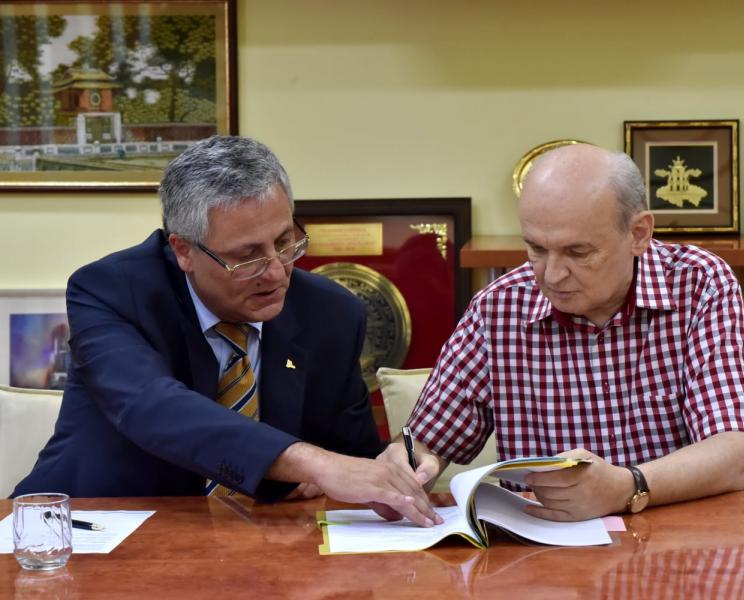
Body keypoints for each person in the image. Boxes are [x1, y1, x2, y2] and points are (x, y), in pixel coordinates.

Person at [13, 136, 440, 527]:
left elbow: (349, 456)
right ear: (183, 250)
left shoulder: (331, 312)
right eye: (247, 256)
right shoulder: (110, 292)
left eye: (285, 242)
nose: (277, 272)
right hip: (88, 530)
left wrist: (394, 465)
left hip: (257, 544)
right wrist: (313, 463)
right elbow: (153, 406)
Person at [375, 143, 744, 522]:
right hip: (544, 548)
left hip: (678, 541)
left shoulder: (699, 284)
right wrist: (402, 467)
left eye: (577, 252)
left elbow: (733, 455)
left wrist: (628, 486)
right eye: (536, 249)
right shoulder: (499, 307)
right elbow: (426, 441)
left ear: (638, 234)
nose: (551, 275)